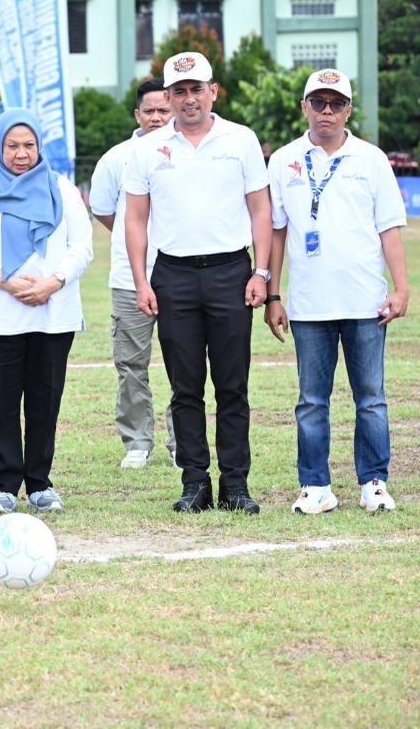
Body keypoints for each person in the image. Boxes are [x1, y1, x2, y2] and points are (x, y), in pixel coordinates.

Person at [124, 51, 272, 515]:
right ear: (167, 98)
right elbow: (135, 218)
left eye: (197, 89)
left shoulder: (240, 139)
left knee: (233, 386)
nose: (189, 99)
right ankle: (194, 483)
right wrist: (141, 282)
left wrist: (261, 271)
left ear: (213, 91)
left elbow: (261, 208)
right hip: (174, 276)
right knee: (184, 388)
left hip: (231, 272)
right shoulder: (147, 149)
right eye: (179, 92)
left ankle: (236, 484)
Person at [264, 69, 409, 514]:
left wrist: (401, 288)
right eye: (318, 102)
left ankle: (374, 483)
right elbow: (275, 232)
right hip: (309, 305)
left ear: (348, 109)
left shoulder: (371, 158)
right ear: (304, 106)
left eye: (336, 104)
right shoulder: (284, 160)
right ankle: (315, 486)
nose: (327, 111)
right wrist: (273, 296)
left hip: (366, 301)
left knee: (371, 398)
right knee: (311, 401)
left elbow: (389, 227)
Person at [0, 110, 92, 514]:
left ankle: (40, 484)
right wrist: (5, 280)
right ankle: (4, 485)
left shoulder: (62, 189)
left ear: (39, 147)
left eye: (28, 145)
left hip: (53, 313)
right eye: (12, 145)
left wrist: (54, 282)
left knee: (44, 402)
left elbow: (82, 245)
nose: (20, 154)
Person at [89, 79, 177, 469]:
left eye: (164, 109)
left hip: (182, 275)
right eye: (150, 111)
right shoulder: (117, 158)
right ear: (137, 114)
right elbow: (106, 211)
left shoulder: (186, 152)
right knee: (130, 364)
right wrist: (136, 244)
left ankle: (182, 443)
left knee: (185, 364)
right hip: (130, 278)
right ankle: (138, 442)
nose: (157, 117)